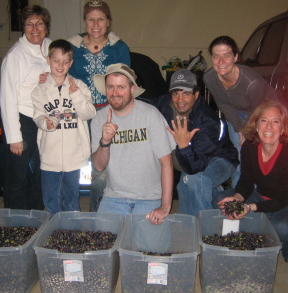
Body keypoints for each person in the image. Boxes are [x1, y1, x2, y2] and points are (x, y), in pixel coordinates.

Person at [217, 100, 288, 264]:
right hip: (262, 197)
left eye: (275, 122)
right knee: (221, 200)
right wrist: (238, 198)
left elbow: (282, 199)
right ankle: (252, 230)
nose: (269, 127)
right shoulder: (249, 147)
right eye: (264, 120)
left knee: (283, 229)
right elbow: (246, 179)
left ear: (282, 129)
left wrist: (248, 207)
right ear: (256, 125)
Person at [91, 63, 175, 225]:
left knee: (151, 250)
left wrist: (165, 206)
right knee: (102, 247)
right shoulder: (99, 119)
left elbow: (167, 163)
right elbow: (98, 166)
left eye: (121, 87)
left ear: (132, 89)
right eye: (110, 87)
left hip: (150, 198)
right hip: (113, 198)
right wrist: (105, 142)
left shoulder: (151, 115)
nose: (115, 93)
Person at [67, 0, 131, 212]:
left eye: (100, 19)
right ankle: (68, 213)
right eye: (90, 20)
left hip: (107, 113)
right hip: (77, 113)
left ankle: (99, 215)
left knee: (101, 170)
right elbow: (60, 74)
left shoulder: (119, 48)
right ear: (84, 22)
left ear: (108, 21)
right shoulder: (72, 47)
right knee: (71, 165)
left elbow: (124, 84)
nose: (96, 24)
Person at [152, 69, 239, 217]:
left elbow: (194, 168)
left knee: (192, 180)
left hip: (221, 160)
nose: (180, 100)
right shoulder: (164, 104)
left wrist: (184, 145)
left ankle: (195, 228)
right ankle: (214, 215)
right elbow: (143, 106)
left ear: (196, 94)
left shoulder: (207, 121)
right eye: (176, 93)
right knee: (198, 187)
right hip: (189, 158)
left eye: (186, 93)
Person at [31, 39, 96, 215]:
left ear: (71, 63)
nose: (60, 65)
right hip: (49, 156)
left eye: (65, 61)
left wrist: (76, 95)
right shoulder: (40, 90)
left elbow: (89, 113)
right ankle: (54, 228)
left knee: (71, 198)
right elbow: (37, 116)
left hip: (74, 156)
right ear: (48, 60)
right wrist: (46, 123)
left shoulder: (80, 86)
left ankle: (71, 227)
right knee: (50, 199)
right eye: (56, 60)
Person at [203, 35, 278, 186]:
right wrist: (240, 128)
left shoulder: (251, 83)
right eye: (216, 56)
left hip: (265, 113)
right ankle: (241, 196)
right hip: (237, 113)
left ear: (236, 57)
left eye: (226, 55)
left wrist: (249, 131)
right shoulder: (209, 77)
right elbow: (223, 104)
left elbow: (260, 112)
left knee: (258, 154)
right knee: (242, 154)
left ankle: (260, 194)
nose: (221, 62)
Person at [0, 5, 52, 210]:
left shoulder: (50, 46)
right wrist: (15, 137)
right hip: (23, 120)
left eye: (39, 23)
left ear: (46, 26)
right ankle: (16, 224)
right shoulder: (16, 56)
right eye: (29, 24)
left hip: (45, 120)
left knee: (41, 172)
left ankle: (37, 217)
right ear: (23, 27)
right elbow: (7, 99)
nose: (35, 28)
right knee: (17, 175)